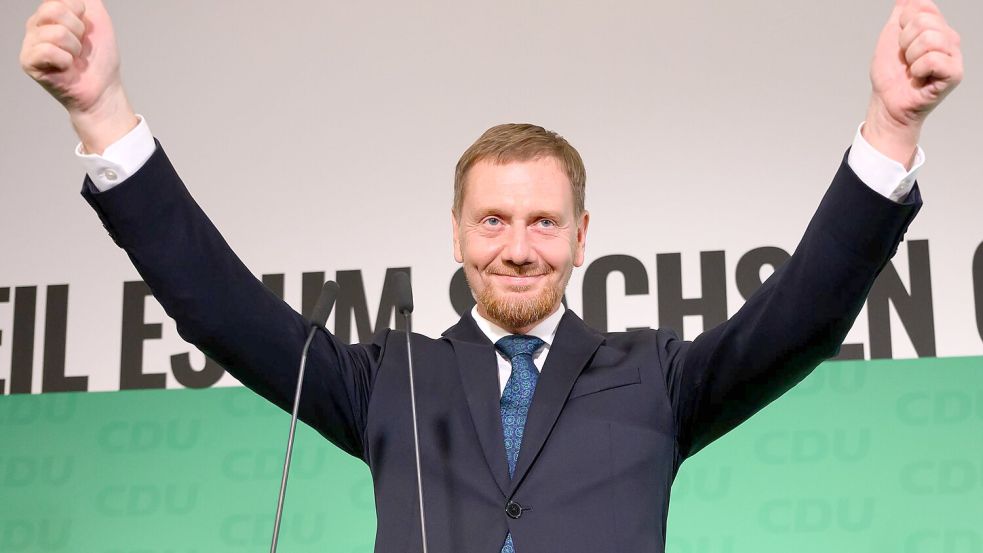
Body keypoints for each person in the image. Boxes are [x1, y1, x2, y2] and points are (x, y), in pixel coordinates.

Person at [19, 0, 963, 551]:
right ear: (459, 233)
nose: (519, 246)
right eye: (495, 220)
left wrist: (890, 130)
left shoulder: (658, 377)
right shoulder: (391, 376)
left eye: (544, 221)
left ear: (582, 235)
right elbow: (218, 305)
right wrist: (103, 114)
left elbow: (800, 314)